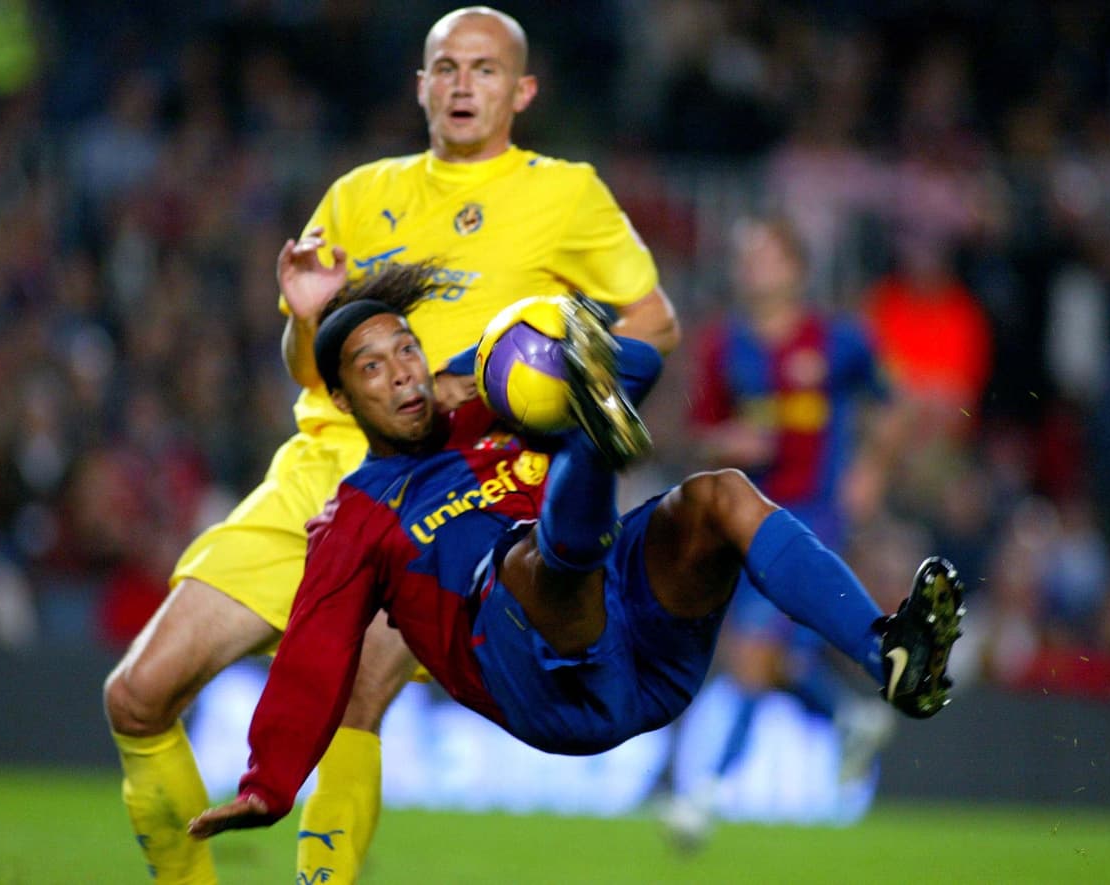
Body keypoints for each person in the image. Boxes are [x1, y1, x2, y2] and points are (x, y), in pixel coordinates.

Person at [101, 8, 679, 884]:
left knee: (355, 702)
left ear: (521, 92)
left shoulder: (565, 195)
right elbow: (310, 369)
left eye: (484, 70)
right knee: (137, 696)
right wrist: (305, 316)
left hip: (438, 494)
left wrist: (560, 392)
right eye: (444, 67)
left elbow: (654, 323)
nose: (461, 84)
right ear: (419, 85)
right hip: (315, 476)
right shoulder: (359, 195)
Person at [185, 262, 965, 839]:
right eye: (373, 367)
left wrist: (516, 362)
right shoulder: (354, 515)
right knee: (528, 561)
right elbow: (316, 649)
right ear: (346, 400)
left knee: (719, 494)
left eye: (407, 350)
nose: (403, 374)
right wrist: (270, 783)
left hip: (645, 651)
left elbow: (647, 365)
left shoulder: (485, 405)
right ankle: (592, 444)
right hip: (541, 680)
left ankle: (884, 652)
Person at [657, 216, 904, 847]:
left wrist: (872, 467)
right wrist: (725, 440)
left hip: (815, 514)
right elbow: (697, 433)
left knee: (750, 652)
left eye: (765, 255)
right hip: (748, 517)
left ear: (795, 267)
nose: (751, 267)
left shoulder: (839, 339)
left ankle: (703, 794)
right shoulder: (721, 345)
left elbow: (892, 403)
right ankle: (847, 715)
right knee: (777, 658)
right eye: (744, 257)